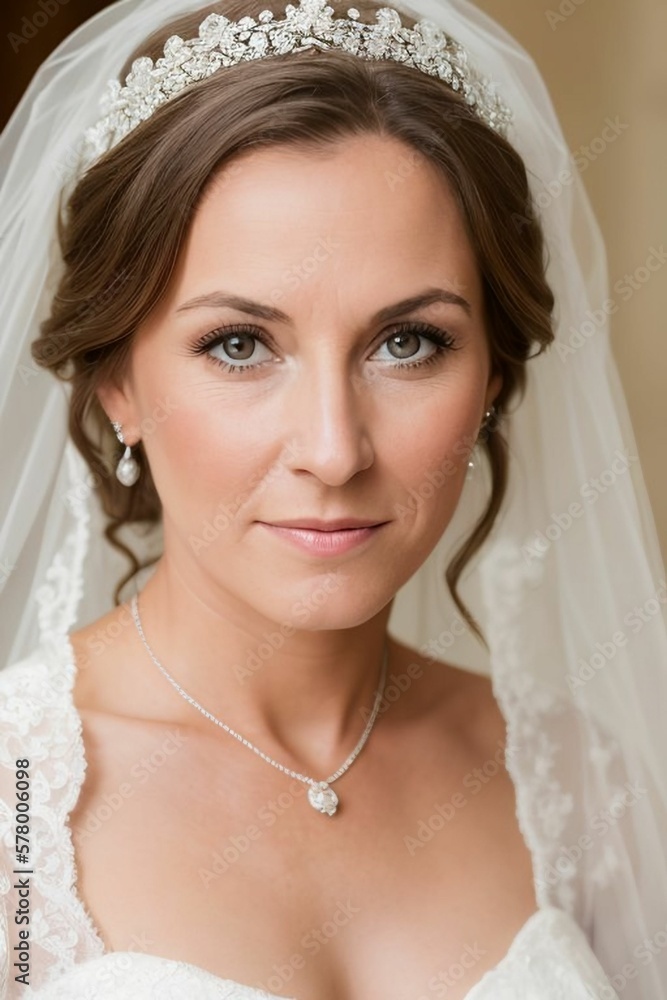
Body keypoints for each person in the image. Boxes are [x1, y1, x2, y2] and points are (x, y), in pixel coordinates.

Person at [0, 0, 665, 997]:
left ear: (490, 378)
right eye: (239, 345)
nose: (333, 448)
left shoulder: (579, 788)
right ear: (118, 385)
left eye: (408, 342)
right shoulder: (15, 803)